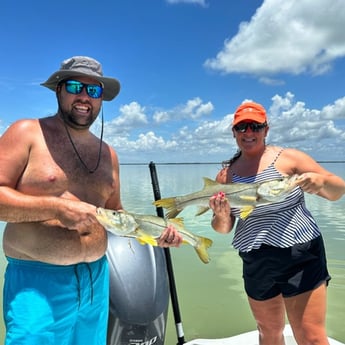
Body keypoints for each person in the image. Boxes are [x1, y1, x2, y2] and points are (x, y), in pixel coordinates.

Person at [0, 56, 182, 345]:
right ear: (59, 89)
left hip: (97, 281)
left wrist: (153, 236)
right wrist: (56, 207)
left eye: (94, 91)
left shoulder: (108, 155)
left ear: (101, 100)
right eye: (75, 86)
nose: (85, 97)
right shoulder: (27, 133)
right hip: (38, 281)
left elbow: (116, 214)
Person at [209, 101, 345, 345]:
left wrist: (321, 182)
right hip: (256, 258)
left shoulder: (289, 158)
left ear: (266, 130)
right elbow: (223, 228)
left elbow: (337, 191)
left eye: (255, 126)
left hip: (300, 253)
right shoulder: (225, 176)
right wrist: (220, 216)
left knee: (311, 337)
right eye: (242, 127)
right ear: (234, 132)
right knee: (268, 332)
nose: (249, 133)